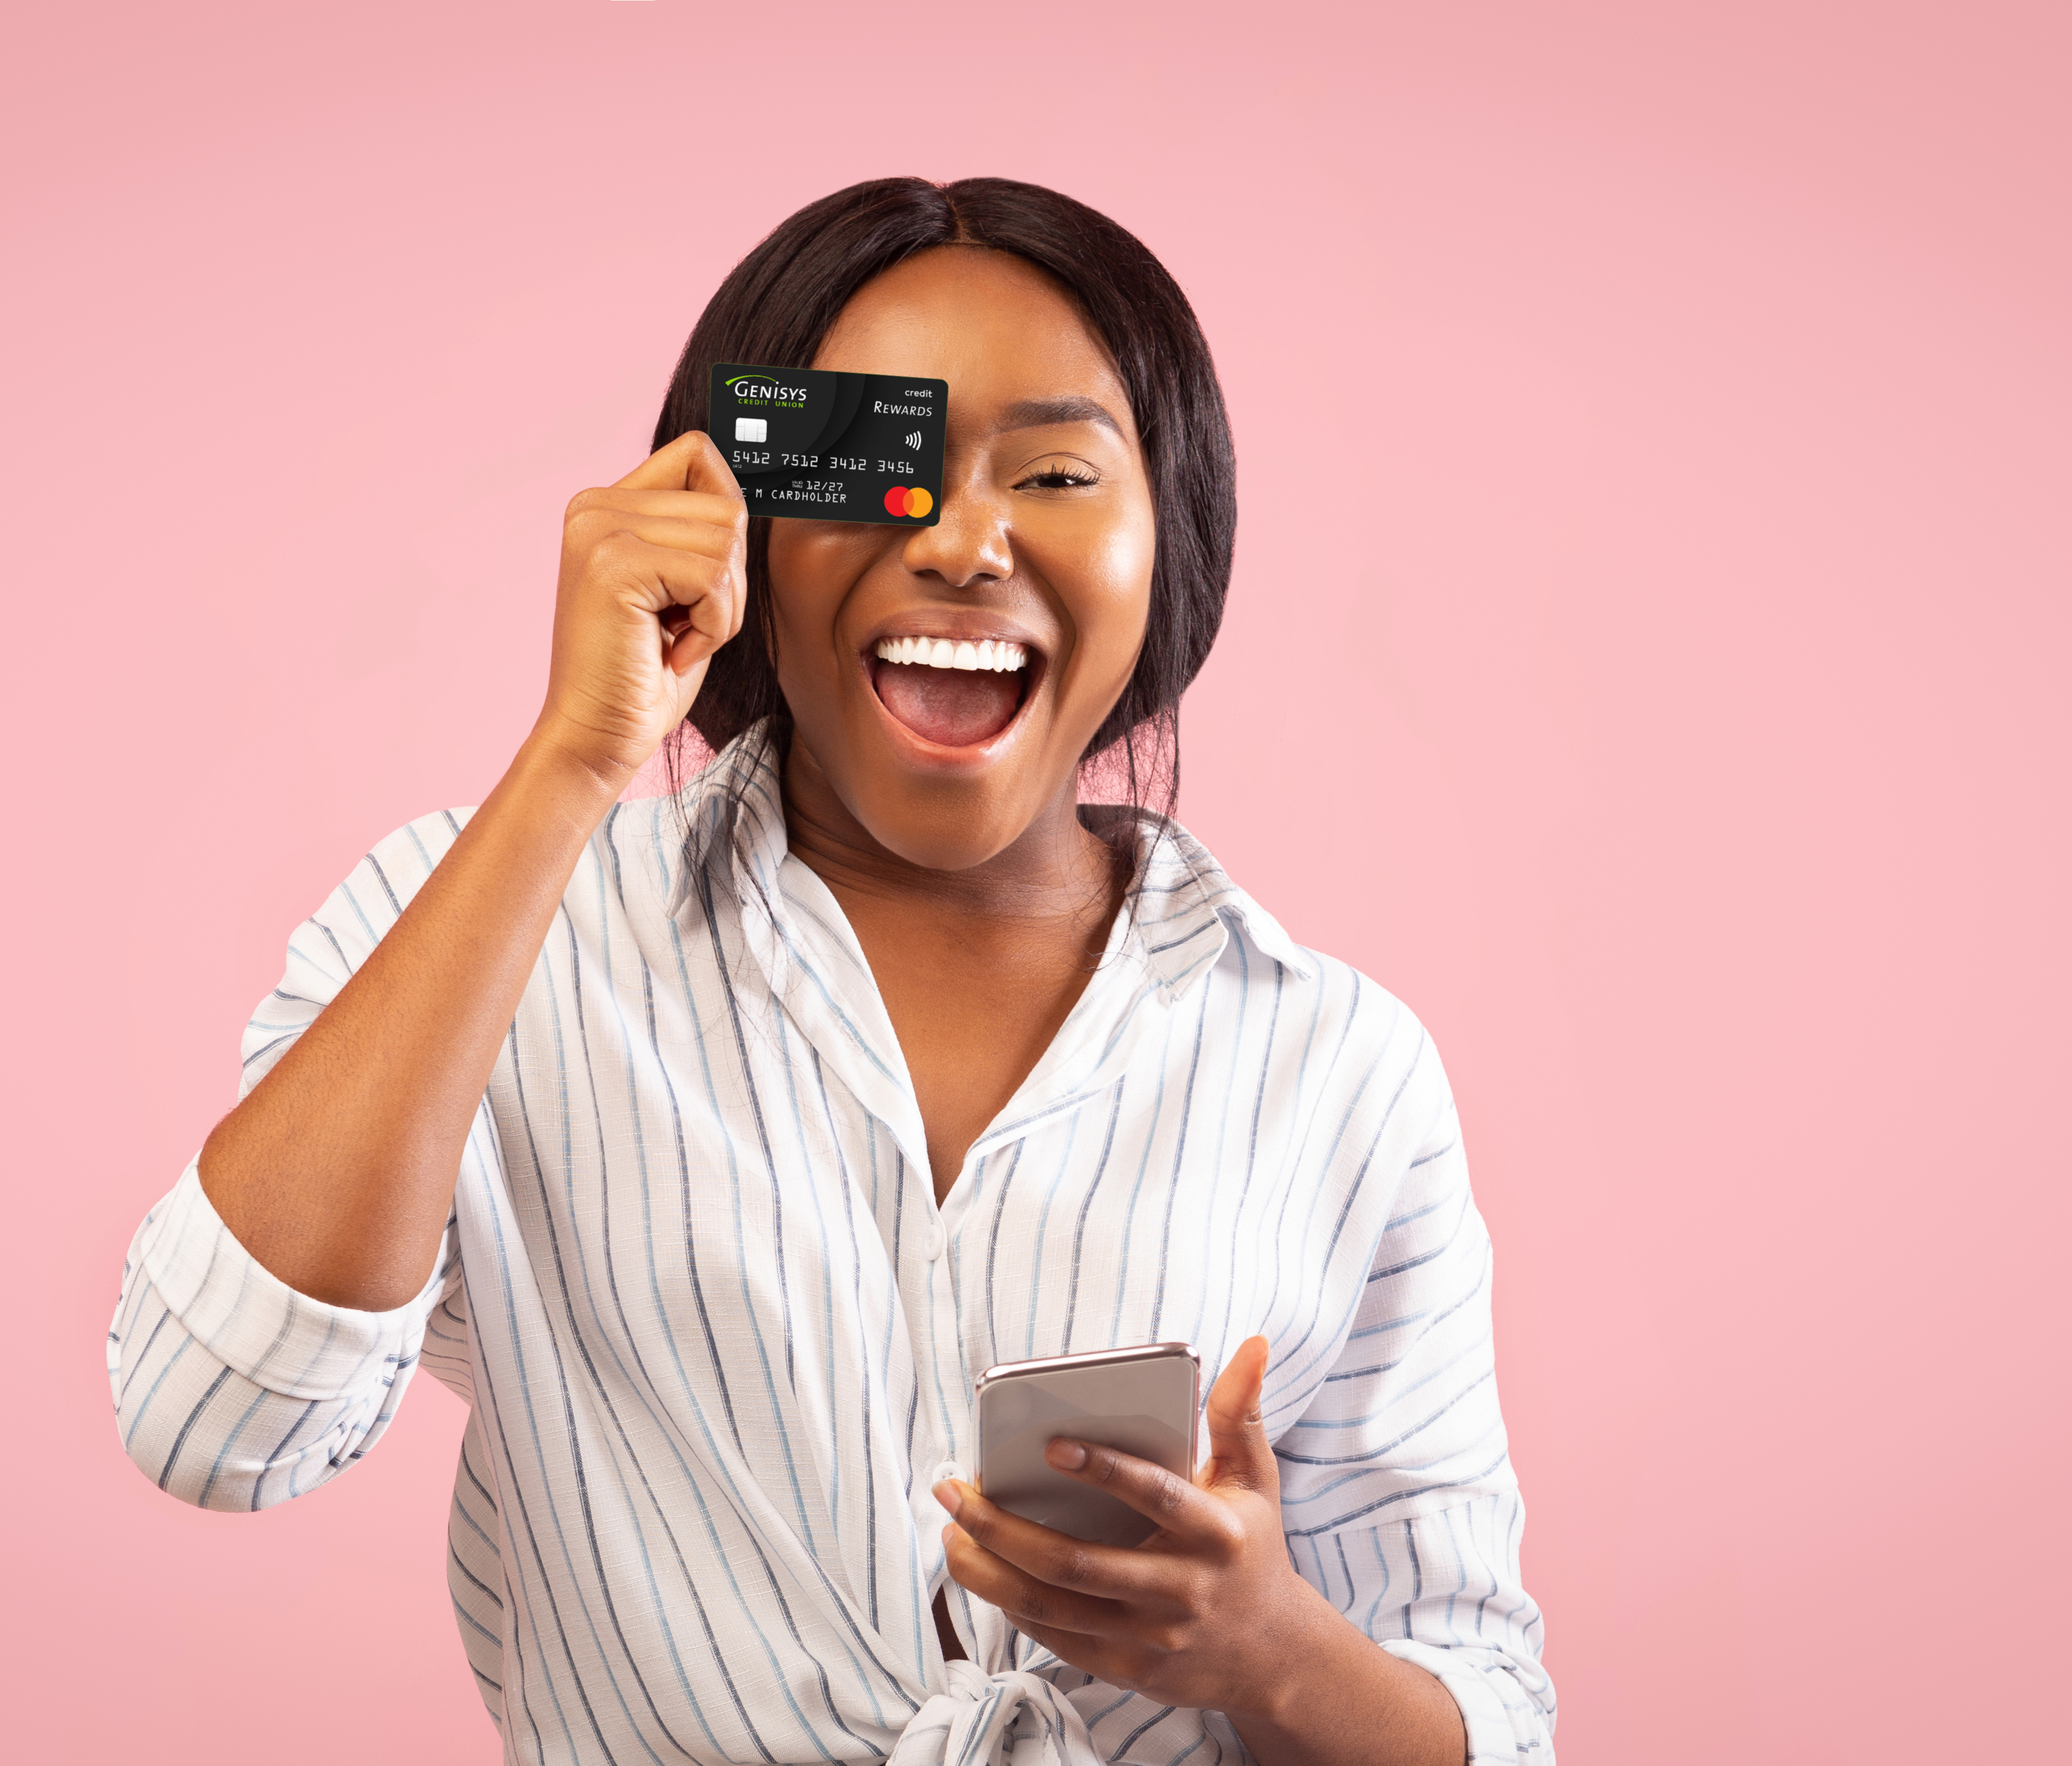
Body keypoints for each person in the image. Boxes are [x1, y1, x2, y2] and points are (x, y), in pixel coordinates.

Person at [107, 176, 1555, 1766]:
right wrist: (575, 763)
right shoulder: (484, 929)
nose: (964, 542)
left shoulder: (1340, 1069)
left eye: (1058, 470)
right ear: (732, 528)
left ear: (1173, 543)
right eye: (881, 470)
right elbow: (208, 1422)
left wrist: (1269, 1652)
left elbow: (1484, 1713)